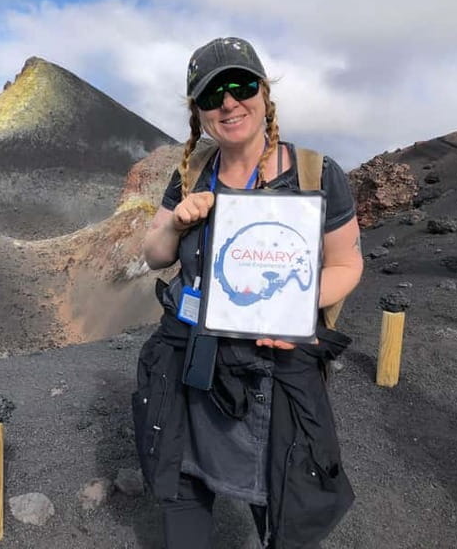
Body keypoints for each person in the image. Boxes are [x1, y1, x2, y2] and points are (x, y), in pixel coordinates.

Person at [132, 37, 364, 548]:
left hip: (275, 369)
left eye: (240, 85)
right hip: (188, 363)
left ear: (263, 93)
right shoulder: (190, 173)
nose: (229, 102)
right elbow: (155, 255)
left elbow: (347, 264)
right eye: (212, 94)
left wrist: (290, 313)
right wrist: (177, 220)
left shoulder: (316, 174)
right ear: (199, 112)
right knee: (182, 496)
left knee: (286, 510)